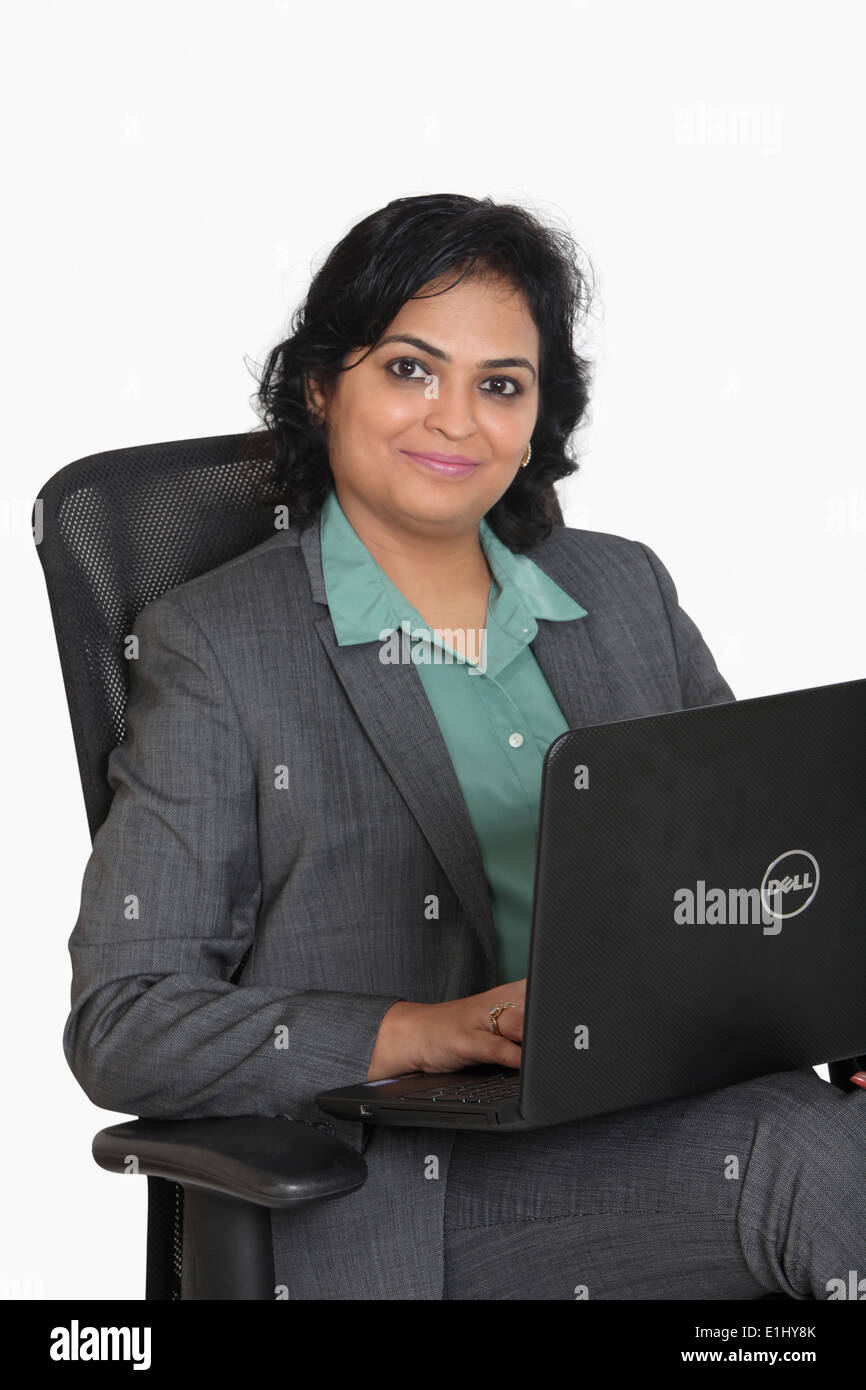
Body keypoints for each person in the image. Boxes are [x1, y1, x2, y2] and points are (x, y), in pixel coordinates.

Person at [64, 193, 866, 1300]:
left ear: (538, 418)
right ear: (317, 384)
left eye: (499, 385)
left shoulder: (620, 589)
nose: (454, 419)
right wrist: (425, 1030)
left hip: (671, 1110)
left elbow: (747, 889)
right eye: (407, 369)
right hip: (414, 1185)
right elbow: (126, 1022)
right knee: (804, 1161)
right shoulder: (219, 647)